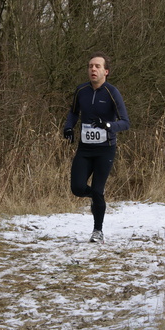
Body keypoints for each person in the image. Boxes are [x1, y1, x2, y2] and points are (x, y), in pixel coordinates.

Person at [63, 52, 130, 243]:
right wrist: (68, 127)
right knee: (77, 187)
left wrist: (109, 126)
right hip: (85, 149)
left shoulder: (112, 92)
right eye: (91, 66)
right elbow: (73, 113)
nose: (93, 69)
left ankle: (97, 231)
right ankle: (97, 196)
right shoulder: (81, 91)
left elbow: (125, 122)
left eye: (97, 66)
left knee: (98, 189)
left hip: (105, 149)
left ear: (106, 71)